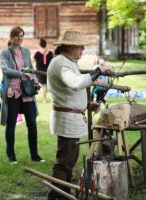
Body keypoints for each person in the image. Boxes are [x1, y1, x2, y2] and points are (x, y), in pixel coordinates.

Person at [47, 30, 112, 199]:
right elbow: (75, 83)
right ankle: (57, 196)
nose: (83, 49)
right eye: (80, 46)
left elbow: (70, 92)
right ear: (69, 46)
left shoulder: (68, 62)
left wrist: (87, 104)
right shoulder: (61, 62)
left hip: (71, 118)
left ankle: (63, 193)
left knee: (68, 160)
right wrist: (99, 70)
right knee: (64, 162)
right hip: (66, 120)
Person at [0, 26, 44, 164]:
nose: (19, 38)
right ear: (11, 37)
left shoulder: (26, 51)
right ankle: (11, 156)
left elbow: (31, 69)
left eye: (21, 36)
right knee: (11, 124)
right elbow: (6, 70)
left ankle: (35, 155)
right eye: (17, 35)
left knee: (32, 124)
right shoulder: (5, 53)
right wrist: (20, 73)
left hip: (27, 92)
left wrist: (36, 82)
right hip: (12, 92)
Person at [34, 38, 53, 103]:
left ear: (40, 45)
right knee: (48, 86)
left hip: (40, 72)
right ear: (46, 44)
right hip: (48, 72)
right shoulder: (50, 53)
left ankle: (44, 99)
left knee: (43, 86)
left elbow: (32, 60)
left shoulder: (37, 53)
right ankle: (51, 99)